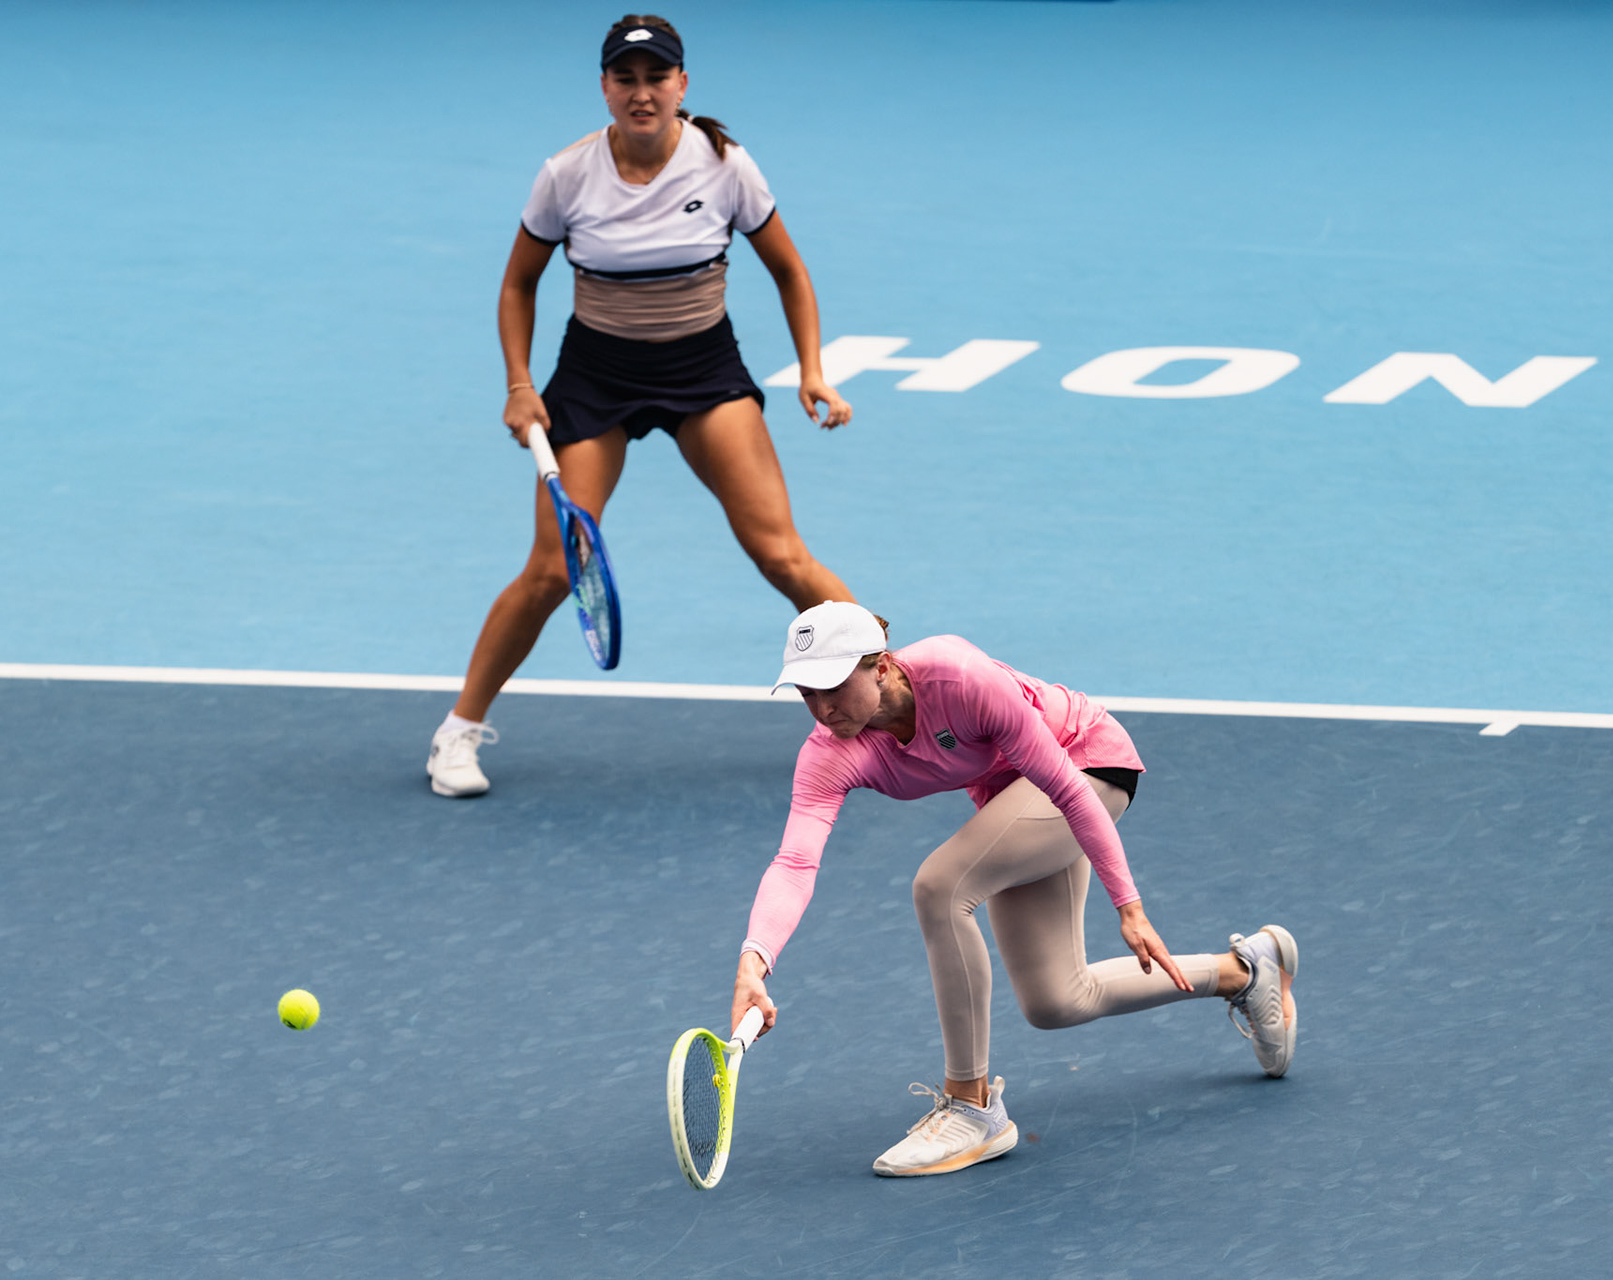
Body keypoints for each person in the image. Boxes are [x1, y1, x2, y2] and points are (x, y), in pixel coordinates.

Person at [428, 14, 855, 797]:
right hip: (596, 379)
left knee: (781, 554)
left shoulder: (725, 164)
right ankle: (457, 732)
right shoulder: (566, 174)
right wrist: (521, 385)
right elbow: (518, 283)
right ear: (605, 87)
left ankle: (903, 698)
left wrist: (813, 371)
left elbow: (789, 270)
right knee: (552, 572)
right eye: (625, 79)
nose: (642, 93)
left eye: (657, 78)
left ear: (682, 85)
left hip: (704, 372)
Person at [731, 602, 1300, 1177]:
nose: (823, 709)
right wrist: (754, 960)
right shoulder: (829, 753)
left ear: (879, 665)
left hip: (1085, 765)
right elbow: (796, 861)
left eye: (832, 686)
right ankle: (1247, 971)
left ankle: (971, 1106)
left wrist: (1129, 906)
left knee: (940, 887)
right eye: (806, 693)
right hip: (1012, 800)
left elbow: (1064, 788)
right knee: (1058, 1000)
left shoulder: (958, 676)